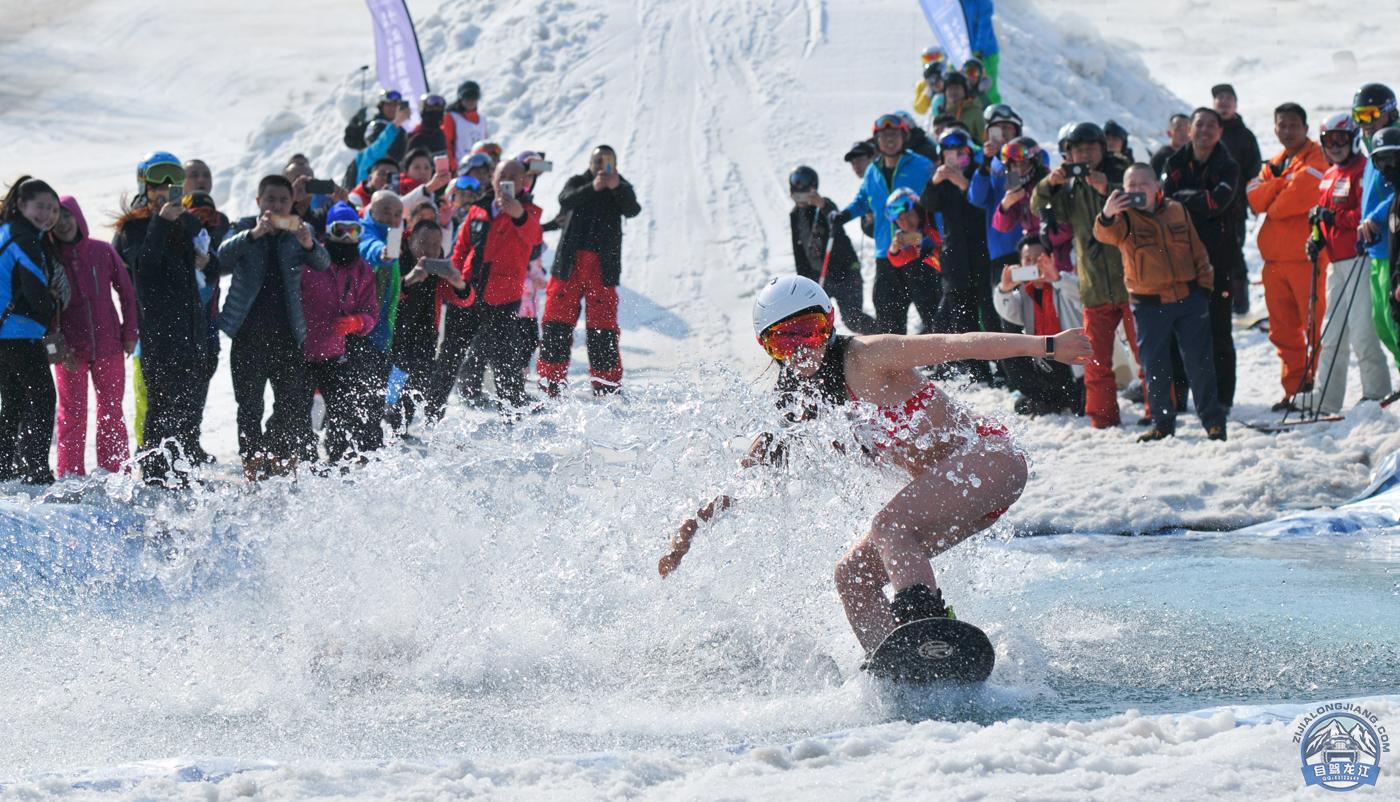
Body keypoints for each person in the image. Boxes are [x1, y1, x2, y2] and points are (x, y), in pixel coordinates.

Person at [657, 275, 1092, 656]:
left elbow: (960, 345)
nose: (800, 350)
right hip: (954, 497)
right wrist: (694, 524)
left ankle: (927, 632)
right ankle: (896, 666)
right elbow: (752, 472)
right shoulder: (800, 404)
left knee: (889, 526)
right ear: (767, 348)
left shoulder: (867, 356)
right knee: (852, 576)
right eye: (783, 341)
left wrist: (1048, 346)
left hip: (990, 460)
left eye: (808, 331)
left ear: (828, 322)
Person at [1095, 164, 1227, 442]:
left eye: (1144, 183)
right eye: (1131, 185)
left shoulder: (1177, 210)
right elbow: (1104, 234)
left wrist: (1204, 288)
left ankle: (1213, 422)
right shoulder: (1123, 218)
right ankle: (1162, 422)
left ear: (1158, 187)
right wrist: (1107, 214)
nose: (1137, 189)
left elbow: (1198, 251)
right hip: (1148, 305)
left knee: (1200, 363)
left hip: (1189, 299)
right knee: (1155, 366)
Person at [216, 175, 331, 479]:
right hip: (247, 334)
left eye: (282, 200)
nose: (276, 205)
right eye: (270, 199)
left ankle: (278, 454)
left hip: (287, 334)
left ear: (292, 203)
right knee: (249, 405)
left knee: (292, 403)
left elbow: (323, 262)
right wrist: (254, 234)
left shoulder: (296, 231)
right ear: (258, 202)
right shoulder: (243, 227)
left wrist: (308, 243)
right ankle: (253, 462)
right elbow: (221, 257)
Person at [1032, 122, 1138, 428]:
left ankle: (1158, 411)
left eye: (1091, 147)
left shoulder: (1124, 171)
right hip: (1093, 287)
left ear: (1103, 148)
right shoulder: (1070, 187)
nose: (1085, 155)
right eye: (1078, 150)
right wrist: (1050, 182)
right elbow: (1039, 207)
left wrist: (1109, 187)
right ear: (1068, 155)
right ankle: (1103, 419)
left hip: (1132, 282)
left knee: (1145, 357)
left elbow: (1143, 205)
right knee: (1094, 359)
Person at [112, 153, 208, 485]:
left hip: (191, 331)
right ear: (147, 188)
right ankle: (154, 474)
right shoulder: (135, 226)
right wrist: (162, 222)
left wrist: (206, 258)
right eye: (158, 186)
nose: (165, 192)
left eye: (173, 185)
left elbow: (210, 262)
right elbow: (144, 267)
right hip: (158, 334)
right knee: (161, 408)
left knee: (187, 410)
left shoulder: (186, 222)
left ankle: (181, 471)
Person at [427, 159, 542, 414]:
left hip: (502, 300)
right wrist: (454, 282)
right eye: (502, 175)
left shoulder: (530, 211)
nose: (507, 181)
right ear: (493, 179)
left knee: (505, 363)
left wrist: (519, 216)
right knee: (449, 356)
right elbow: (461, 248)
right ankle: (432, 413)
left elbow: (534, 239)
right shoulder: (478, 209)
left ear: (524, 182)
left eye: (514, 176)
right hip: (468, 294)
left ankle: (513, 417)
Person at [1300, 113, 1392, 415]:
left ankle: (1376, 394)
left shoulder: (1363, 170)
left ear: (1353, 138)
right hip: (1335, 262)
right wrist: (1317, 237)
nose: (1335, 146)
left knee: (1363, 329)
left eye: (1340, 139)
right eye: (1329, 141)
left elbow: (1362, 216)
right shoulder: (1329, 175)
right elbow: (1322, 216)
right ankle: (1326, 397)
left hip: (1360, 258)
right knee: (1332, 331)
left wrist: (1332, 219)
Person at [537, 146, 640, 396]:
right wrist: (591, 187)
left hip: (602, 267)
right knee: (556, 323)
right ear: (590, 162)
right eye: (597, 161)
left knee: (602, 328)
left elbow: (632, 209)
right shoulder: (579, 181)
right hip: (569, 264)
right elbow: (564, 199)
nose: (601, 166)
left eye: (606, 162)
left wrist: (617, 187)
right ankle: (551, 381)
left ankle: (606, 384)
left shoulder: (621, 186)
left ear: (614, 164)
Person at [1247, 103, 1329, 408]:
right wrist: (1282, 185)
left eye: (1294, 125)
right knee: (1283, 333)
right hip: (1274, 264)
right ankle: (1295, 390)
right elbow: (1254, 198)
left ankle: (1320, 391)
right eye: (1282, 125)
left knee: (1315, 329)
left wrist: (1274, 192)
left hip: (1307, 261)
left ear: (1305, 128)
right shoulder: (1277, 163)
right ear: (1275, 129)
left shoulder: (1317, 156)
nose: (1288, 130)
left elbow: (1294, 199)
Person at [51, 196, 137, 477]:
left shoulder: (101, 251)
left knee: (111, 411)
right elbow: (47, 310)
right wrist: (56, 350)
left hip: (109, 345)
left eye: (67, 215)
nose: (63, 223)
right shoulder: (50, 258)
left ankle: (114, 471)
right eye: (56, 217)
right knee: (71, 414)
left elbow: (127, 292)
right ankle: (70, 474)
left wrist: (130, 332)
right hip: (70, 352)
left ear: (77, 216)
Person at [1162, 108, 1241, 410]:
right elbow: (1164, 202)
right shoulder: (1175, 162)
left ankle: (1222, 399)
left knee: (1218, 331)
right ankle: (1179, 398)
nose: (1205, 130)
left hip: (1218, 261)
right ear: (1190, 130)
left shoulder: (1228, 165)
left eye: (1212, 125)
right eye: (1199, 124)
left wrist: (1184, 198)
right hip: (1177, 261)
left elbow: (1216, 203)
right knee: (1174, 331)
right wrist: (1192, 198)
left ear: (1220, 131)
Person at [834, 115, 936, 335]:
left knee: (932, 313)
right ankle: (895, 368)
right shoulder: (873, 171)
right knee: (888, 317)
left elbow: (938, 200)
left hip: (919, 251)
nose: (889, 140)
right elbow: (862, 200)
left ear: (904, 137)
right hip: (886, 254)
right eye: (884, 136)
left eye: (894, 135)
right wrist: (844, 215)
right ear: (876, 140)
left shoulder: (922, 165)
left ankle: (946, 365)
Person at [299, 203, 380, 463]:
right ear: (327, 232)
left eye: (353, 231)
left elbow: (371, 311)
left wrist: (357, 322)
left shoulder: (362, 269)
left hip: (334, 352)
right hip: (301, 351)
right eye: (339, 230)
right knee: (296, 411)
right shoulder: (311, 261)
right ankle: (304, 461)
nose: (346, 238)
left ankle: (337, 461)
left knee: (343, 410)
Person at [0, 177, 61, 485]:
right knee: (42, 397)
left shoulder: (7, 231)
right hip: (17, 332)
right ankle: (35, 471)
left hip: (5, 334)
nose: (47, 215)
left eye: (53, 209)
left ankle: (6, 468)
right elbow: (35, 291)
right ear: (22, 205)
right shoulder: (24, 238)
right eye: (40, 206)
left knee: (13, 402)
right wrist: (52, 306)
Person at [922, 129, 996, 381]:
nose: (953, 157)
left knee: (990, 314)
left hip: (982, 254)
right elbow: (928, 206)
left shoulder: (979, 172)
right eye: (947, 153)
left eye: (958, 152)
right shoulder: (940, 178)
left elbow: (982, 207)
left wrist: (964, 185)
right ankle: (979, 372)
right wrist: (934, 182)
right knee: (962, 318)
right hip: (954, 257)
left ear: (967, 152)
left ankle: (1006, 370)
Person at [993, 234, 1083, 416]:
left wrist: (1055, 277)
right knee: (1006, 336)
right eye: (1028, 260)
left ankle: (1060, 400)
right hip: (1044, 363)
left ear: (1050, 259)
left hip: (1073, 365)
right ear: (1021, 264)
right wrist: (1004, 288)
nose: (1033, 264)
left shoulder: (1063, 281)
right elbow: (1008, 313)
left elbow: (1082, 297)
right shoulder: (1024, 292)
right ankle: (1044, 399)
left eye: (1039, 258)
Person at [788, 166, 878, 335]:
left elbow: (836, 217)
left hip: (845, 272)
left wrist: (821, 204)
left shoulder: (823, 206)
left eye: (805, 187)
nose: (800, 194)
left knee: (852, 318)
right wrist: (804, 281)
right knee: (816, 321)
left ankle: (883, 335)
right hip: (818, 276)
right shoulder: (794, 215)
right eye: (796, 187)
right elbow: (799, 252)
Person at [1353, 84, 1400, 370]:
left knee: (1394, 320)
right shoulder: (1371, 145)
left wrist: (1377, 216)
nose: (1365, 123)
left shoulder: (1393, 144)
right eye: (1359, 116)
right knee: (1383, 324)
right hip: (1376, 247)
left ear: (1389, 111)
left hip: (1393, 243)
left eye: (1371, 114)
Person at [1212, 84, 1262, 315]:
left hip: (1235, 208)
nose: (1223, 102)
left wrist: (1252, 200)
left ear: (1236, 103)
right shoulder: (1208, 131)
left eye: (1228, 98)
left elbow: (1254, 172)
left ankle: (1240, 306)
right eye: (1219, 98)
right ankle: (1216, 306)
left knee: (1234, 256)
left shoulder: (1245, 136)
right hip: (1208, 209)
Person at [882, 188, 945, 339]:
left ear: (919, 210)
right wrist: (895, 248)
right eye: (900, 220)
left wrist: (924, 240)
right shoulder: (914, 234)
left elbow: (948, 247)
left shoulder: (936, 219)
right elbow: (899, 259)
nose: (906, 223)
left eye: (909, 215)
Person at [354, 99, 412, 186]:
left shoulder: (403, 133)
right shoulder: (368, 157)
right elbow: (378, 147)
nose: (391, 108)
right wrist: (396, 123)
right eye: (388, 105)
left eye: (394, 105)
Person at [442, 81, 490, 171]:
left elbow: (485, 144)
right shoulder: (451, 117)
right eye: (467, 97)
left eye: (474, 97)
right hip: (461, 167)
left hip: (480, 168)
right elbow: (447, 144)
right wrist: (453, 166)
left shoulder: (482, 120)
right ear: (460, 98)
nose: (470, 101)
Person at [960, 0, 1000, 102]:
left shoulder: (982, 2)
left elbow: (985, 24)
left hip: (986, 53)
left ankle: (995, 114)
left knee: (987, 88)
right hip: (964, 52)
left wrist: (979, 50)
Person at [932, 72, 985, 144]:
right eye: (950, 88)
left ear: (965, 91)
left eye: (957, 88)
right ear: (945, 92)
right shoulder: (941, 114)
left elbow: (984, 140)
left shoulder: (975, 113)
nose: (953, 91)